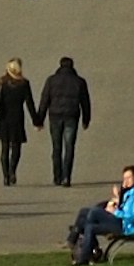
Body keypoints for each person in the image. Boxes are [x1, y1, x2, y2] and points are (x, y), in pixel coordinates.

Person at [37, 54, 95, 187]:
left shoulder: (51, 80)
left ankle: (57, 176)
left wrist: (39, 119)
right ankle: (66, 177)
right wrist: (86, 119)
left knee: (56, 147)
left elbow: (44, 99)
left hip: (55, 115)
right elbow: (85, 101)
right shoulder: (79, 81)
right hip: (72, 116)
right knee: (69, 147)